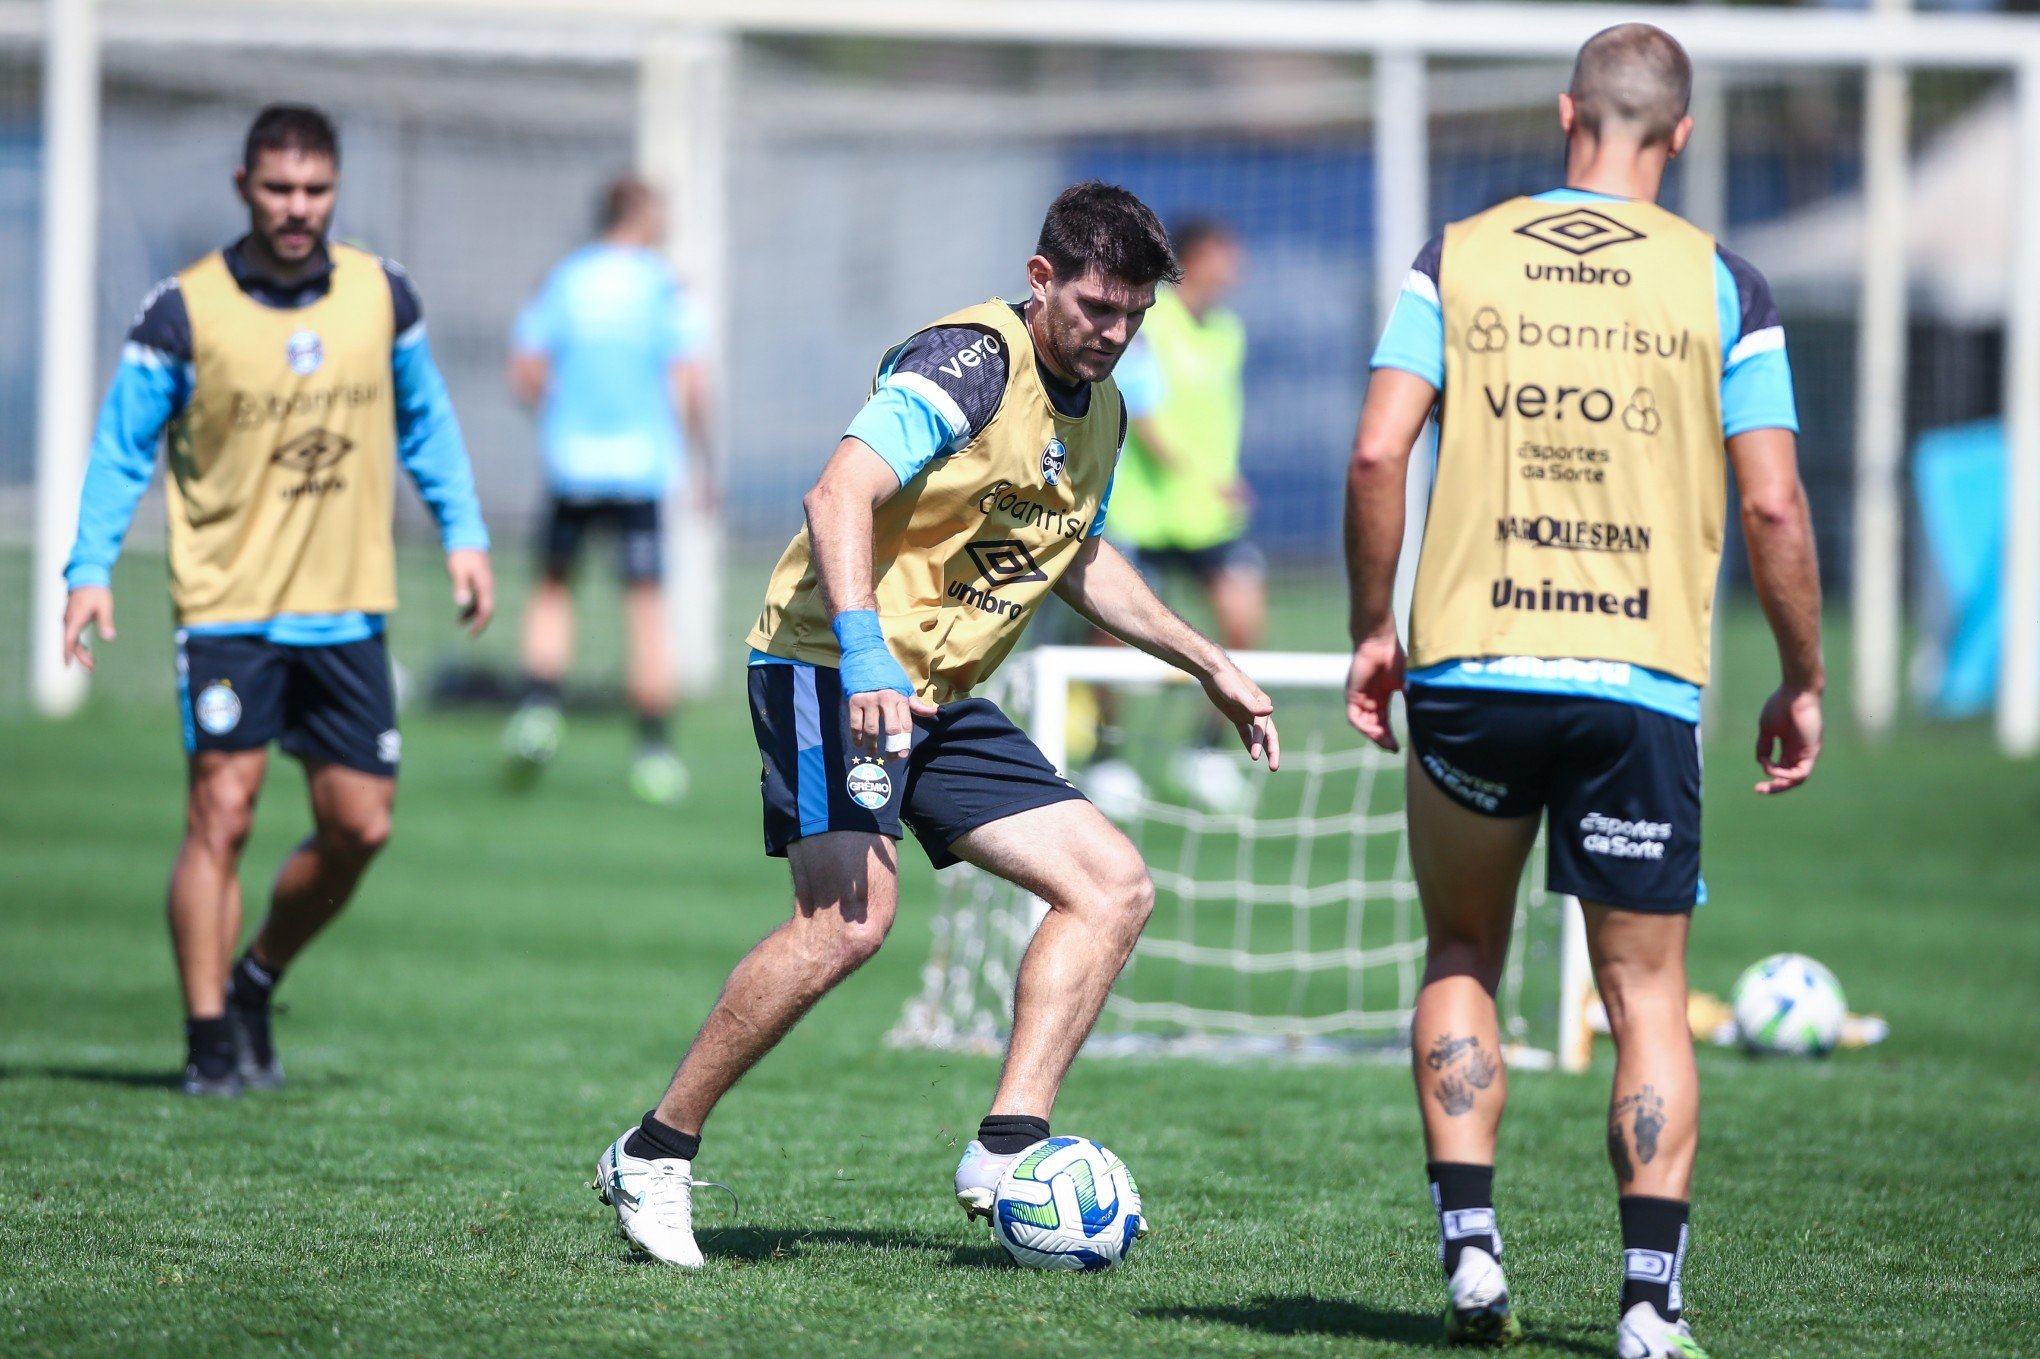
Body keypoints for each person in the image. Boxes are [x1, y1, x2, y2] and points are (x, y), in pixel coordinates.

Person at [592, 182, 1280, 1268]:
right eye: (1098, 306)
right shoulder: (967, 363)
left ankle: (1008, 1149)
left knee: (1112, 886)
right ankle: (654, 1150)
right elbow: (838, 495)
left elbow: (1080, 558)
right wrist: (866, 654)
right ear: (1042, 277)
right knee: (849, 924)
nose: (1113, 333)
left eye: (1134, 315)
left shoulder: (1102, 410)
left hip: (938, 696)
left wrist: (1206, 662)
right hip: (830, 661)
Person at [1342, 25, 1821, 1357]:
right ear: (1680, 133)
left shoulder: (1456, 254)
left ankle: (1474, 1247)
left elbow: (1379, 454)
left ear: (1567, 114)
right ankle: (1649, 1304)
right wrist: (1803, 676)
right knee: (1646, 993)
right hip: (1641, 676)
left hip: (1473, 666)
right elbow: (1774, 501)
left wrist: (1373, 626)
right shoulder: (1725, 281)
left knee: (1461, 952)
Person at [60, 104, 494, 1098]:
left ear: (333, 191)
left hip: (347, 606)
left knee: (361, 827)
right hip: (228, 607)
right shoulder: (181, 311)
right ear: (244, 188)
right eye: (278, 190)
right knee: (223, 809)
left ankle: (256, 979)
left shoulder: (382, 295)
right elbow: (123, 448)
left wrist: (463, 535)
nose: (297, 209)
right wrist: (89, 568)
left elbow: (426, 423)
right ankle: (209, 1036)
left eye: (314, 191)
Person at [501, 177, 715, 805]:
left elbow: (525, 371)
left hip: (573, 465)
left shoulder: (566, 279)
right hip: (640, 468)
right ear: (642, 217)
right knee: (645, 604)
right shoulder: (664, 287)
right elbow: (690, 384)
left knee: (552, 587)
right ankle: (653, 750)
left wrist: (565, 416)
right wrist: (703, 462)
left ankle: (539, 710)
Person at [1087, 218, 1265, 810]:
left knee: (1244, 618)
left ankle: (1206, 751)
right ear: (1193, 258)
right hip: (1144, 508)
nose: (1235, 265)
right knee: (1111, 636)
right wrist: (1203, 477)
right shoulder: (1149, 322)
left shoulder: (1228, 331)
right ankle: (1105, 756)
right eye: (1224, 252)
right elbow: (1146, 412)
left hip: (1209, 516)